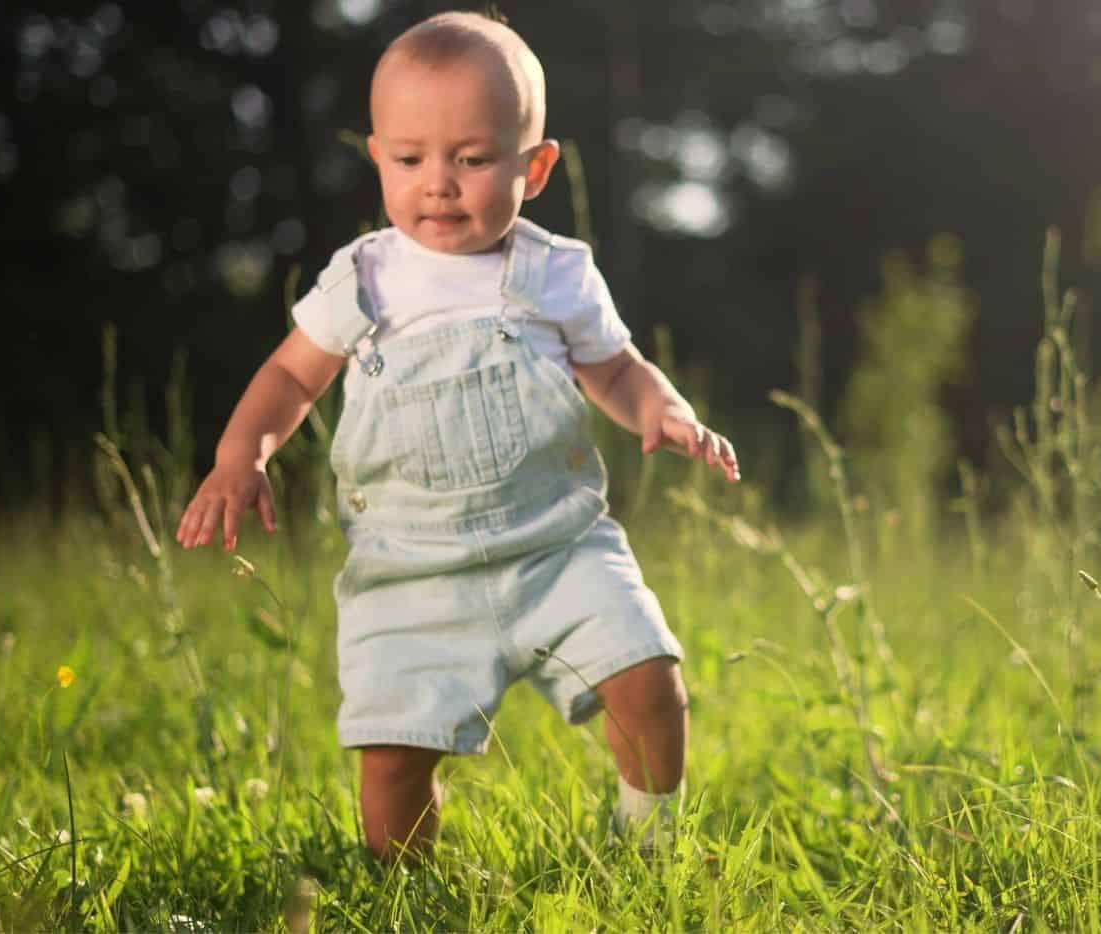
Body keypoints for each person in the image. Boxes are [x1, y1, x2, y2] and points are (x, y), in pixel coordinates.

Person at [175, 10, 739, 860]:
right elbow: (292, 375)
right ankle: (406, 889)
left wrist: (666, 412)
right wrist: (239, 454)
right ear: (379, 159)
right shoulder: (364, 278)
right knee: (394, 762)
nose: (438, 183)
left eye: (472, 160)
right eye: (410, 160)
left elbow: (615, 370)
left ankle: (649, 840)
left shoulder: (554, 272)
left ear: (535, 166)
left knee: (650, 681)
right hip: (409, 572)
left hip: (559, 549)